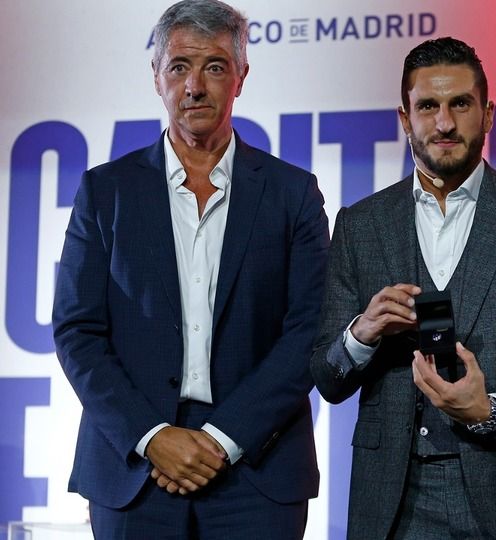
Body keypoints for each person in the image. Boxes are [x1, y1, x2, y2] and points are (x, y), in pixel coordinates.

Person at [52, 1, 329, 537]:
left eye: (215, 67)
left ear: (241, 77)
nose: (195, 86)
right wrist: (152, 435)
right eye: (179, 66)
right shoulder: (105, 192)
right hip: (134, 471)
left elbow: (309, 331)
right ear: (156, 78)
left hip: (257, 470)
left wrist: (223, 438)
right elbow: (77, 330)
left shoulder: (293, 193)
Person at [310, 37, 496, 539]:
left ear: (488, 114)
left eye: (460, 103)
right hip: (393, 502)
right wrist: (362, 332)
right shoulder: (360, 224)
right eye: (428, 106)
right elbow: (328, 379)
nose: (444, 123)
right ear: (404, 118)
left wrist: (492, 410)